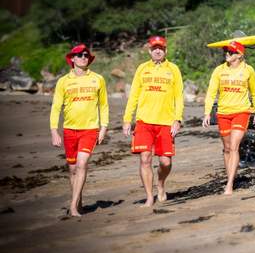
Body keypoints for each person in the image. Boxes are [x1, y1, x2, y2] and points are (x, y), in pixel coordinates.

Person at [123, 35, 184, 206]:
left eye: (161, 48)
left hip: (166, 121)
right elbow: (133, 95)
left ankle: (161, 184)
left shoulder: (173, 69)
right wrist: (127, 119)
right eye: (155, 48)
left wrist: (177, 119)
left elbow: (179, 96)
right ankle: (150, 197)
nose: (158, 51)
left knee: (165, 162)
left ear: (166, 50)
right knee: (145, 159)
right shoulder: (142, 69)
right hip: (144, 121)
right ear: (150, 50)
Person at [50, 44, 108, 216]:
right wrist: (54, 131)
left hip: (90, 129)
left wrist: (103, 128)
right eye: (80, 55)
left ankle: (73, 206)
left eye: (86, 55)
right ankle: (79, 202)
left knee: (82, 164)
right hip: (69, 130)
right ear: (72, 59)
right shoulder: (63, 81)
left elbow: (104, 105)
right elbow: (55, 107)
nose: (84, 57)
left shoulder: (98, 79)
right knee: (73, 169)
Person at [202, 41, 255, 195]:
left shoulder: (248, 70)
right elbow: (211, 93)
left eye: (231, 52)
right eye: (226, 51)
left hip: (241, 112)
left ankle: (229, 185)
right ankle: (231, 178)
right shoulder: (219, 70)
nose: (227, 53)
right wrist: (207, 113)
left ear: (240, 55)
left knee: (234, 146)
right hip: (223, 114)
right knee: (227, 148)